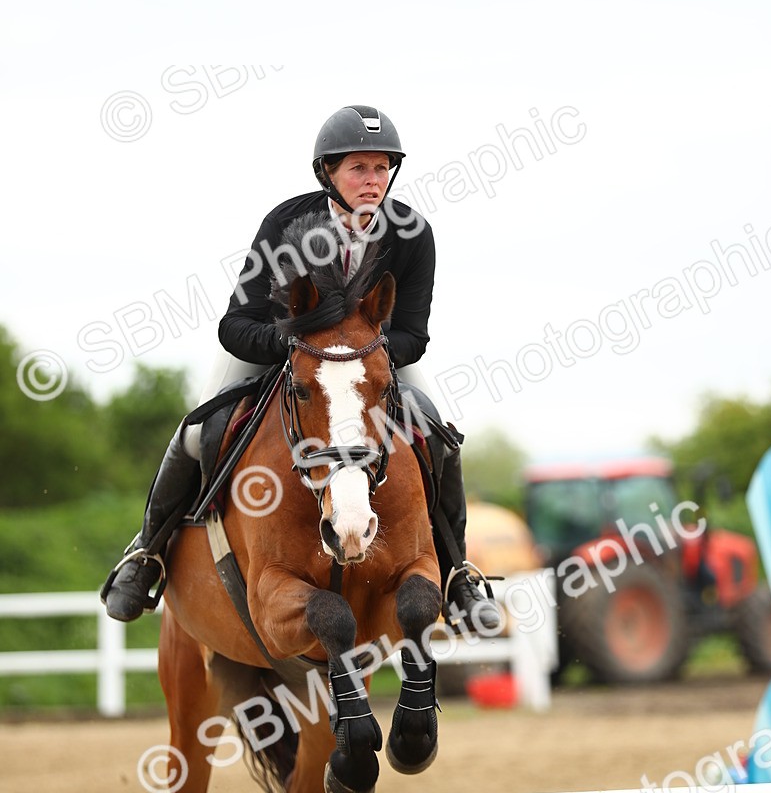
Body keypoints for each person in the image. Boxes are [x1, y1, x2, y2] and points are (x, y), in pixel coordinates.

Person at [101, 104, 500, 634]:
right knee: (198, 433)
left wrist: (360, 356)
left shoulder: (412, 234)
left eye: (382, 168)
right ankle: (146, 553)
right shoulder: (286, 224)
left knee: (438, 436)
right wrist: (294, 345)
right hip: (278, 348)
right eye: (359, 168)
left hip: (367, 365)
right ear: (327, 173)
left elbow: (413, 335)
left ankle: (457, 574)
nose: (373, 180)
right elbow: (235, 324)